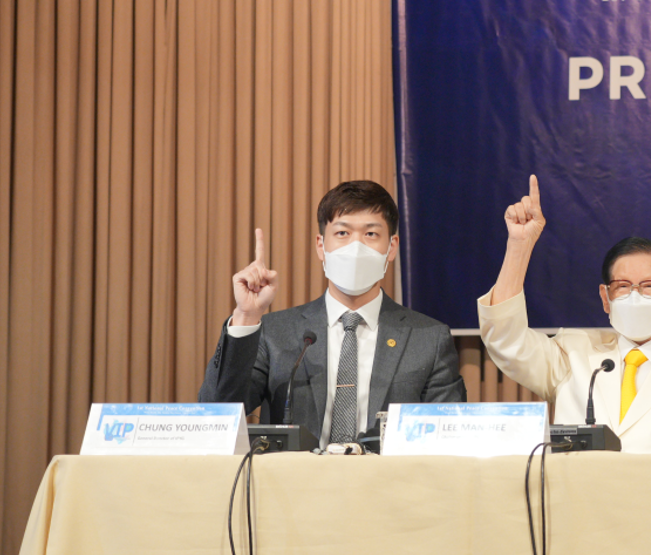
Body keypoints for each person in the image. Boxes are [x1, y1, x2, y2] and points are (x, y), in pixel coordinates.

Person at [478, 175, 651, 453]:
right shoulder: (573, 355)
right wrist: (519, 246)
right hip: (575, 495)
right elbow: (505, 340)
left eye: (650, 286)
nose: (634, 296)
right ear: (606, 298)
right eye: (622, 286)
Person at [199, 180, 465, 444]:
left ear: (392, 247)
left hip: (388, 483)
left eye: (371, 234)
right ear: (320, 245)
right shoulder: (274, 332)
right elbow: (216, 415)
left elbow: (448, 439)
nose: (356, 247)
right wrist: (246, 316)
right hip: (294, 483)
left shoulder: (429, 338)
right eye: (342, 233)